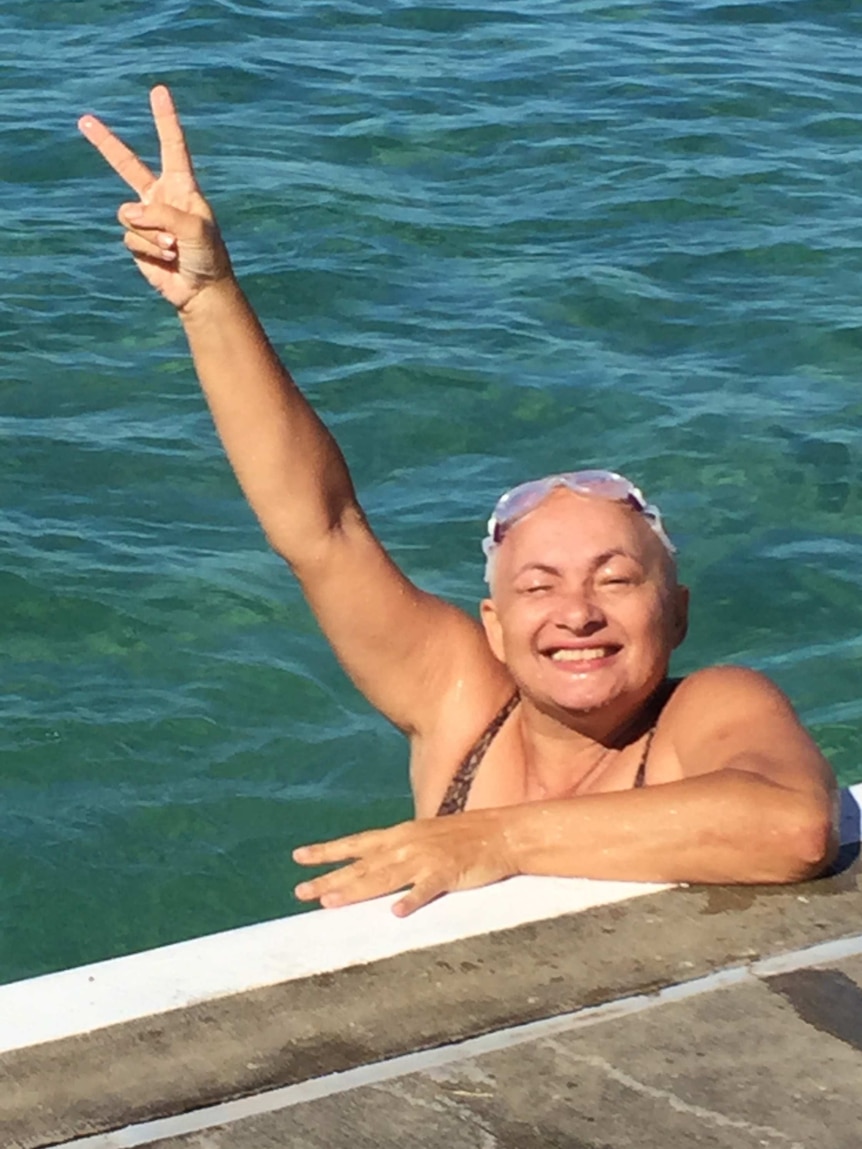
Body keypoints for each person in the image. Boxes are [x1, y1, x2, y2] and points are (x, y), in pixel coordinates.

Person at [78, 86, 839, 916]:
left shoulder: (708, 711)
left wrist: (494, 837)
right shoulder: (461, 696)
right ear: (493, 625)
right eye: (538, 585)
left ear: (678, 611)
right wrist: (210, 298)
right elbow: (321, 530)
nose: (576, 612)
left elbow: (795, 827)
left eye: (616, 579)